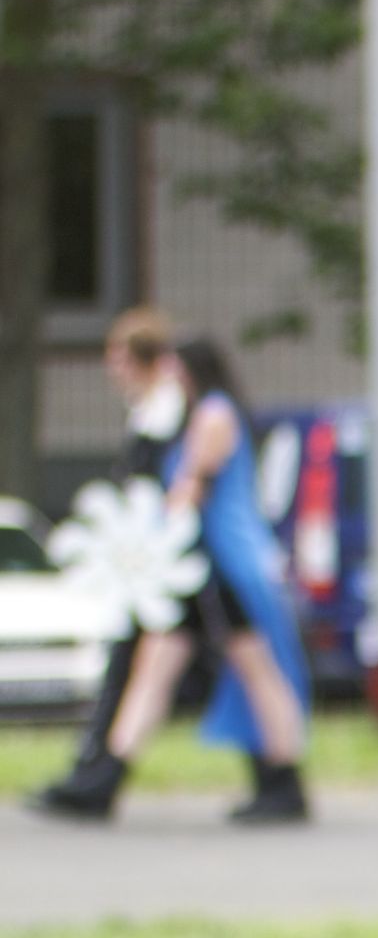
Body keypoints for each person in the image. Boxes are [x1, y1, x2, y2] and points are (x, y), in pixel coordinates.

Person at [32, 338, 313, 823]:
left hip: (217, 566)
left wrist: (143, 542)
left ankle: (281, 779)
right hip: (195, 564)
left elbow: (190, 491)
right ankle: (104, 778)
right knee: (159, 666)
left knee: (255, 669)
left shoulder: (213, 414)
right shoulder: (205, 412)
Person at [32, 308, 189, 805]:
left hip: (163, 569)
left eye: (119, 358)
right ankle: (95, 772)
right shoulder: (153, 411)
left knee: (135, 664)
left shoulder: (166, 415)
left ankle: (95, 774)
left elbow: (152, 492)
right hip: (154, 567)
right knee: (133, 664)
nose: (112, 369)